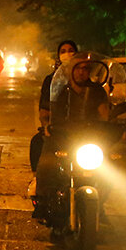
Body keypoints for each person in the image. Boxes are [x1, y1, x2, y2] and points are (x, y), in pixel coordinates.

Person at [32, 53, 111, 222]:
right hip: (61, 137)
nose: (83, 72)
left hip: (88, 139)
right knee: (46, 164)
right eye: (79, 67)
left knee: (109, 168)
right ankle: (42, 201)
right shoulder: (59, 89)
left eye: (86, 68)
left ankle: (100, 205)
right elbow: (45, 112)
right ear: (70, 70)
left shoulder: (97, 91)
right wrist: (47, 125)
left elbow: (105, 115)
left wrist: (112, 128)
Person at [31, 39, 79, 171]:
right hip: (58, 131)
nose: (67, 54)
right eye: (63, 51)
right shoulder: (51, 80)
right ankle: (37, 180)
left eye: (71, 51)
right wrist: (47, 127)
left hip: (82, 130)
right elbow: (44, 110)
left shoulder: (85, 79)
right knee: (37, 143)